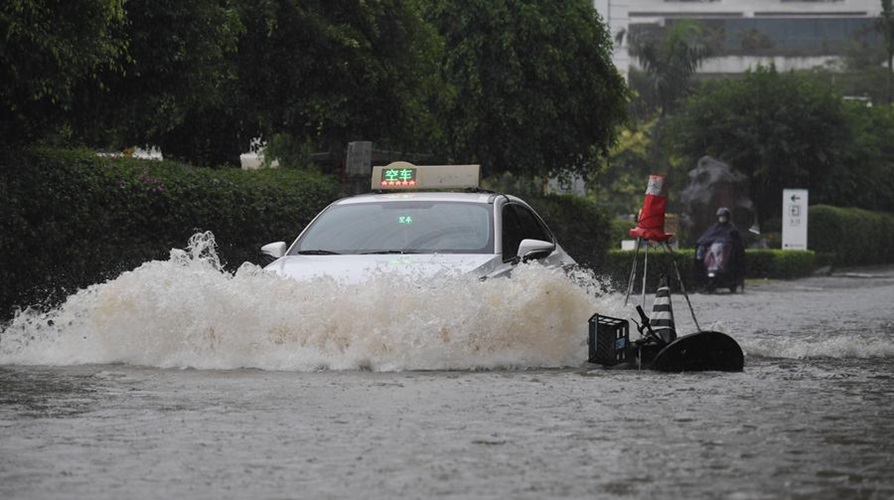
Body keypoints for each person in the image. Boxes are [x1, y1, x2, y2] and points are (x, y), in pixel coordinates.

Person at [695, 207, 745, 292]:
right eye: (720, 216)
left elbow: (736, 243)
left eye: (724, 216)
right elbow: (705, 238)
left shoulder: (732, 229)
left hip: (725, 257)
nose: (722, 218)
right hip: (711, 257)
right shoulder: (714, 228)